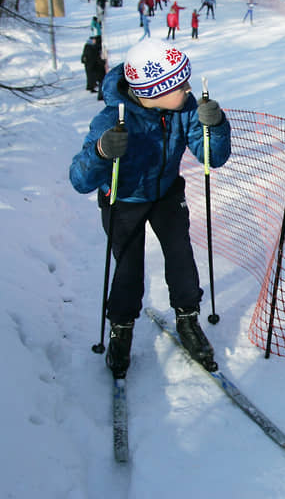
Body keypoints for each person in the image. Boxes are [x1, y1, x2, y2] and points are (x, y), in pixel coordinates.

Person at [68, 39, 232, 378]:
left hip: (166, 194)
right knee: (129, 268)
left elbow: (212, 157)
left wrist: (214, 126)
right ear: (155, 91)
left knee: (181, 256)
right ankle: (121, 328)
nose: (188, 89)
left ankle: (187, 319)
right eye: (180, 84)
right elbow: (79, 179)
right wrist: (101, 152)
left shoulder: (184, 109)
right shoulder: (112, 119)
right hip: (124, 200)